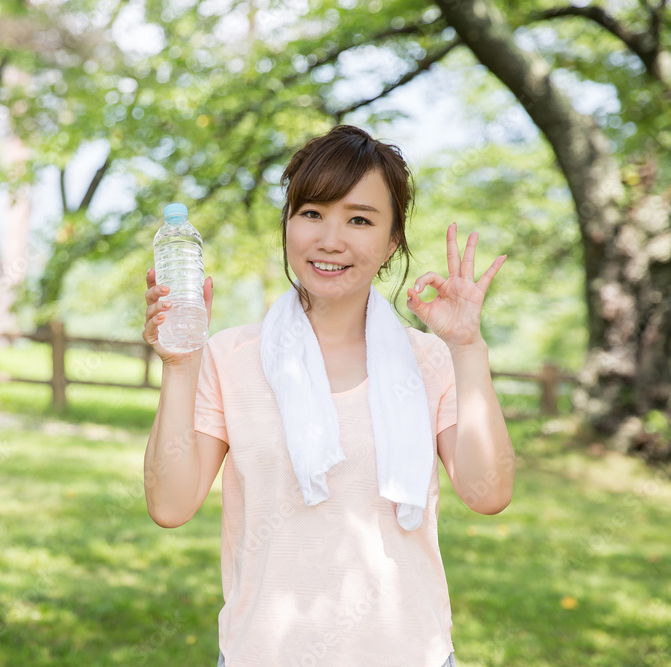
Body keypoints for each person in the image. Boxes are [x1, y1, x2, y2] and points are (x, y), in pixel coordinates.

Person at [142, 125, 514, 667]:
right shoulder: (229, 356)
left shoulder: (429, 361)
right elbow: (170, 506)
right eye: (312, 213)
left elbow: (488, 493)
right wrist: (179, 366)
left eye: (359, 219)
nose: (331, 239)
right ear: (288, 224)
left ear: (392, 242)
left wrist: (468, 348)